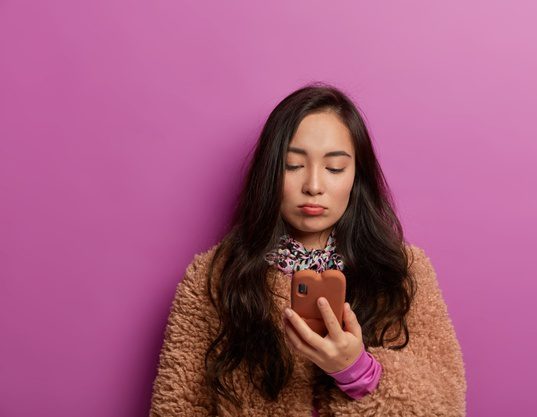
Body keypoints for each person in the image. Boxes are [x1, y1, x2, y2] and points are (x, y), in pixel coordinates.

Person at [149, 82, 467, 416]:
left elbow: (447, 404)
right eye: (293, 165)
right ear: (270, 172)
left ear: (357, 178)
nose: (313, 186)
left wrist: (357, 371)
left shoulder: (403, 270)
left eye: (334, 168)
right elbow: (176, 405)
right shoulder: (214, 276)